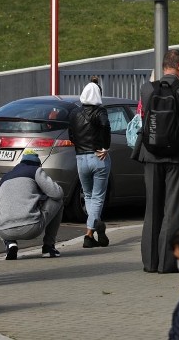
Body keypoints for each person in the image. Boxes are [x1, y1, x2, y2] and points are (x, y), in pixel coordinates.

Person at [132, 48, 179, 274]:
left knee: (152, 209)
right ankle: (167, 263)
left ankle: (150, 262)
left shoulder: (147, 89)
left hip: (150, 154)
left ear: (164, 66)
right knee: (174, 209)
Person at [0, 150, 65, 259]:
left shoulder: (4, 178)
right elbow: (57, 193)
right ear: (38, 164)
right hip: (31, 228)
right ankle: (48, 247)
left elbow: (1, 206)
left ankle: (10, 243)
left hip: (5, 231)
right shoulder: (35, 171)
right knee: (58, 201)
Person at [69, 80, 112, 248]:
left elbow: (71, 135)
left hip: (80, 159)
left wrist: (79, 147)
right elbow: (106, 126)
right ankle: (88, 234)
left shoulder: (74, 113)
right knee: (98, 197)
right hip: (98, 157)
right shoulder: (100, 112)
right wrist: (105, 147)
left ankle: (96, 226)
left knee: (87, 195)